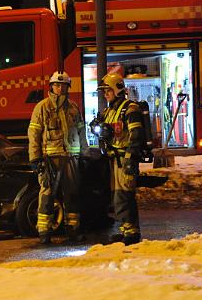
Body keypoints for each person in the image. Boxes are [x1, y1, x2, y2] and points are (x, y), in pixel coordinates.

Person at [27, 71, 88, 245]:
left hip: (71, 159)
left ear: (68, 87)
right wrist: (35, 159)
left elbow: (81, 133)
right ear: (51, 86)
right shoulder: (42, 107)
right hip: (49, 160)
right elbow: (34, 135)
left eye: (63, 85)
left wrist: (84, 154)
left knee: (72, 195)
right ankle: (44, 232)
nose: (60, 88)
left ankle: (73, 230)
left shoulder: (73, 108)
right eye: (56, 85)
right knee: (47, 194)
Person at [98, 73, 144, 245]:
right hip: (113, 160)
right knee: (117, 197)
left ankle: (132, 234)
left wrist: (130, 159)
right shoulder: (109, 111)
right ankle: (126, 229)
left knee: (125, 196)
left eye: (107, 90)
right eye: (104, 91)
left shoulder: (130, 109)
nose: (105, 94)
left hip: (125, 160)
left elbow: (136, 135)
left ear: (117, 89)